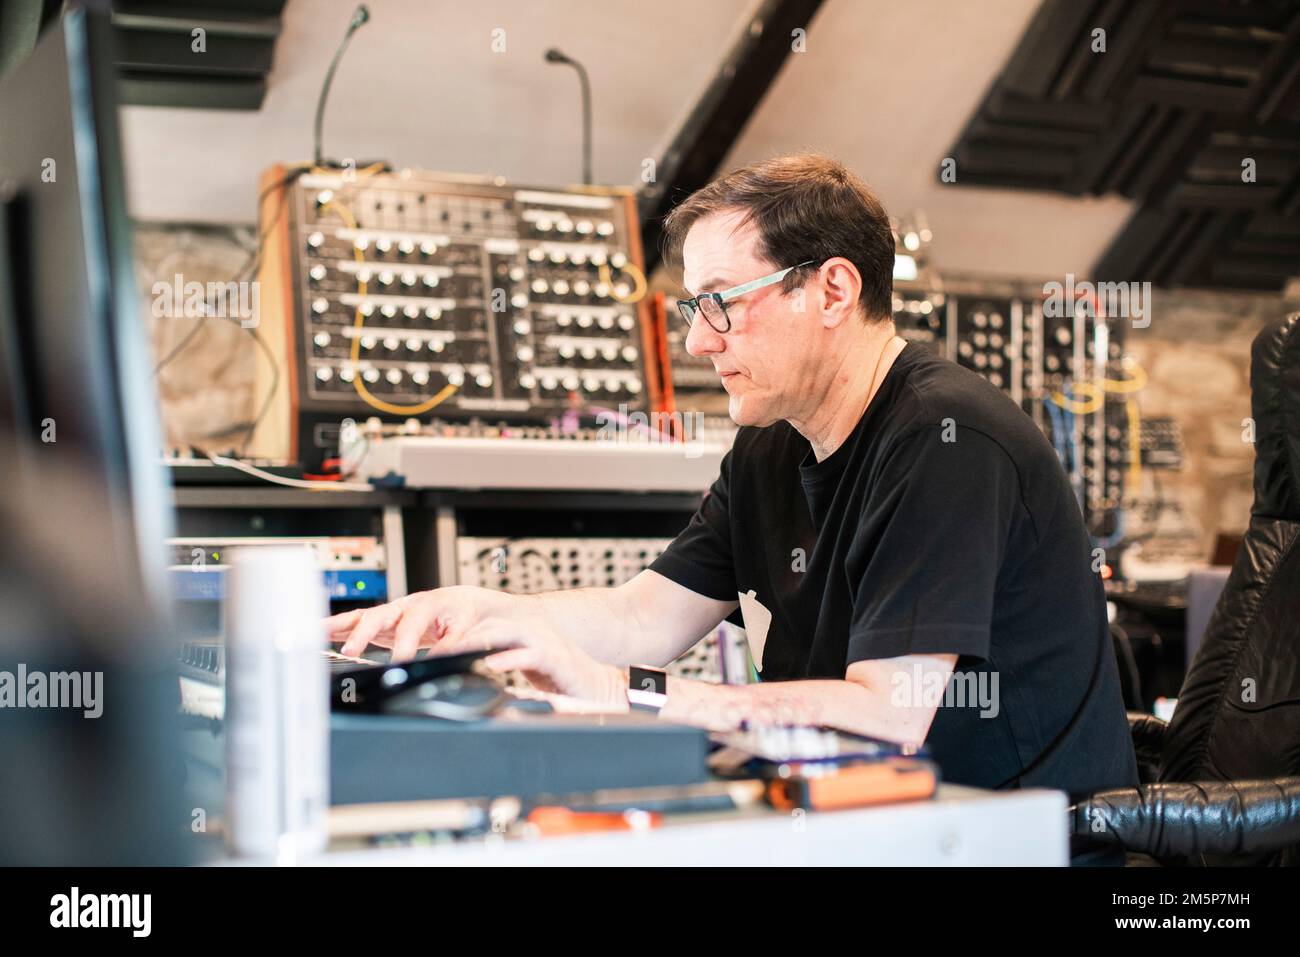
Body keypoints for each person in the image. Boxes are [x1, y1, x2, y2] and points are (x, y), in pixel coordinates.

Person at [328, 153, 1138, 801]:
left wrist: (623, 692)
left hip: (1010, 840)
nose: (697, 342)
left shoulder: (946, 438)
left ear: (832, 290)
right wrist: (492, 614)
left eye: (720, 301)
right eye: (693, 308)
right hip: (853, 818)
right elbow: (645, 617)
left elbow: (886, 717)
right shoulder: (770, 443)